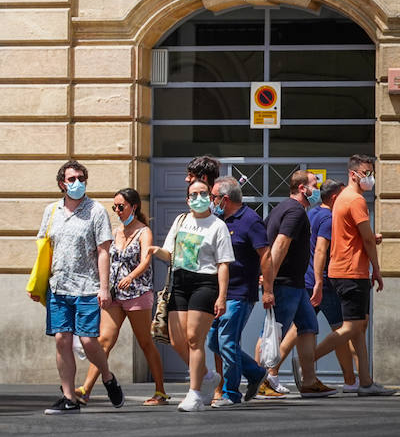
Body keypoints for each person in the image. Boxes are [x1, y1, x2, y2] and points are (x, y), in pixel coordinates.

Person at [33, 160, 124, 416]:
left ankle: (107, 377)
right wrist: (37, 283)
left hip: (87, 286)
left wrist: (104, 288)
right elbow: (44, 250)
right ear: (62, 183)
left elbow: (103, 251)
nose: (77, 183)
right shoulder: (51, 211)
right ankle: (69, 397)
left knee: (87, 341)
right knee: (62, 340)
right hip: (58, 286)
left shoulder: (95, 211)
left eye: (81, 178)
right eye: (72, 179)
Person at [311, 155, 395, 396]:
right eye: (366, 172)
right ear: (353, 174)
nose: (370, 177)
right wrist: (376, 269)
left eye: (371, 172)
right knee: (353, 325)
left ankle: (366, 382)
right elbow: (367, 238)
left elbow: (355, 235)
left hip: (345, 269)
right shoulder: (355, 199)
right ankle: (307, 361)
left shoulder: (342, 199)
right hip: (351, 271)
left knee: (359, 328)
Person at [76, 188, 167, 407]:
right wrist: (103, 287)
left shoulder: (143, 231)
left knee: (145, 342)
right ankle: (85, 390)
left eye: (121, 206)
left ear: (133, 207)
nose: (117, 210)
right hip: (116, 294)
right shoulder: (116, 231)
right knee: (103, 341)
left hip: (137, 293)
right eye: (114, 207)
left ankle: (160, 392)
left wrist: (131, 276)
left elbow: (146, 260)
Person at [151, 178, 232, 412]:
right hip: (179, 281)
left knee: (195, 338)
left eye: (203, 193)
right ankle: (207, 376)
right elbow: (169, 253)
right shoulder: (180, 220)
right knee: (177, 341)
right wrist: (156, 251)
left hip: (205, 283)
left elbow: (224, 264)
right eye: (193, 194)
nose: (198, 198)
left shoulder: (218, 226)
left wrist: (222, 296)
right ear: (187, 200)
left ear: (211, 197)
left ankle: (195, 393)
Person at [262, 170, 338, 398]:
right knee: (272, 333)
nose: (318, 188)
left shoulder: (282, 207)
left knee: (308, 327)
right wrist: (268, 283)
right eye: (315, 184)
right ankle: (262, 380)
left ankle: (309, 381)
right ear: (303, 188)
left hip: (295, 284)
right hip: (284, 284)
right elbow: (279, 245)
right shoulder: (295, 212)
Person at [205, 176, 269, 406]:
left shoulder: (251, 221)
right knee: (215, 342)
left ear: (224, 198)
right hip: (220, 294)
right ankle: (254, 372)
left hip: (240, 294)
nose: (210, 201)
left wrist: (268, 288)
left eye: (212, 197)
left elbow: (266, 255)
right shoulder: (218, 220)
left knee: (228, 342)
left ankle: (231, 393)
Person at [308, 178, 357, 390]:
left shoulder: (311, 213)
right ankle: (351, 380)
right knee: (344, 330)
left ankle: (271, 373)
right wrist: (320, 281)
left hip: (308, 280)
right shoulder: (328, 218)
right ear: (335, 197)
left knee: (297, 329)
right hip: (325, 283)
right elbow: (321, 250)